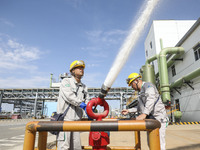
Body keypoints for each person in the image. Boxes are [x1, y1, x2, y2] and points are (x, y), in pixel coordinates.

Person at [121, 73, 168, 150]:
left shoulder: (148, 86)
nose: (132, 87)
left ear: (136, 81)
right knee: (151, 143)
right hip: (150, 119)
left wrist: (144, 114)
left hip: (159, 118)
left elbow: (151, 99)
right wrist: (128, 110)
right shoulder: (140, 93)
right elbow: (140, 108)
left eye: (131, 84)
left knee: (159, 143)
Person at [57, 60, 90, 150]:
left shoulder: (84, 87)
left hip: (76, 122)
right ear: (73, 71)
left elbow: (87, 100)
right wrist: (81, 104)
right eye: (79, 68)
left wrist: (89, 110)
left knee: (76, 147)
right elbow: (69, 96)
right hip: (65, 120)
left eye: (82, 68)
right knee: (64, 147)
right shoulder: (66, 81)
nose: (81, 70)